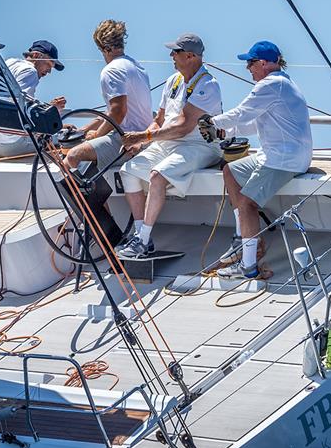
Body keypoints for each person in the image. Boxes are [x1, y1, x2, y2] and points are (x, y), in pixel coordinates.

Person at [199, 41, 312, 279]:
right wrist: (223, 132)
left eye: (250, 63)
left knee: (248, 204)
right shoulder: (281, 83)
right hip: (273, 155)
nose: (248, 68)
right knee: (230, 171)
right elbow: (251, 123)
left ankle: (248, 266)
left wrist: (213, 122)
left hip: (284, 159)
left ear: (263, 63)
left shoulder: (271, 84)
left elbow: (241, 112)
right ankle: (243, 239)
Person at [116, 33, 223, 258]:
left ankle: (143, 241)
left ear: (191, 56)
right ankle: (140, 237)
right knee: (127, 171)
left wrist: (143, 137)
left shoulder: (208, 85)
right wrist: (140, 144)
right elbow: (160, 118)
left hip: (199, 145)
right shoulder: (173, 81)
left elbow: (184, 126)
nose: (171, 55)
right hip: (168, 142)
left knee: (158, 175)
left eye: (176, 52)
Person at [62, 20, 152, 179]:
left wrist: (96, 135)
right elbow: (112, 110)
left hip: (127, 139)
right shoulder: (136, 66)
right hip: (144, 135)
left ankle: (89, 205)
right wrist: (84, 130)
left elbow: (118, 113)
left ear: (104, 48)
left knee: (73, 157)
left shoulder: (111, 71)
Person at [0, 40, 66, 158]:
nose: (49, 71)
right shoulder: (30, 71)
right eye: (49, 64)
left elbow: (8, 101)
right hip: (11, 146)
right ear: (36, 56)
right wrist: (52, 110)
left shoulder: (10, 62)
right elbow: (19, 110)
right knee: (67, 137)